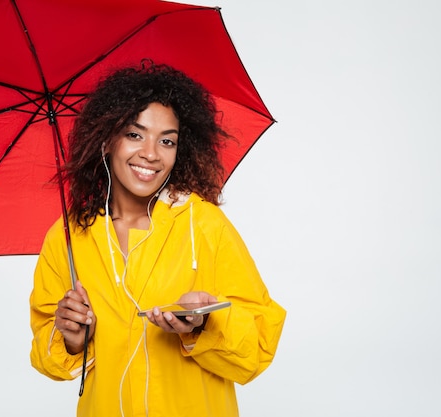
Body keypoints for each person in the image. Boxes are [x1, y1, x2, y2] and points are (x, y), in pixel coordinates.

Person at [29, 62, 286, 417]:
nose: (151, 153)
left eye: (167, 140)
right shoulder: (68, 237)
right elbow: (48, 354)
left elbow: (259, 344)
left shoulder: (204, 225)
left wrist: (204, 324)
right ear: (106, 140)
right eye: (135, 135)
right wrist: (72, 341)